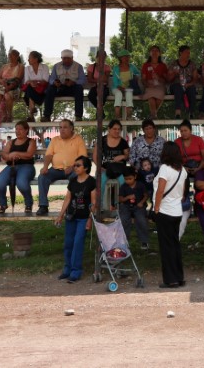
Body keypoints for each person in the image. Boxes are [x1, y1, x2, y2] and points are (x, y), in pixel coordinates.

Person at [55, 155, 96, 284]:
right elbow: (68, 198)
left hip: (83, 218)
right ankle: (67, 269)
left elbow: (94, 203)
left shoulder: (91, 182)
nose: (75, 167)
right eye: (74, 165)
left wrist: (90, 219)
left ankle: (76, 271)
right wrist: (60, 215)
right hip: (71, 216)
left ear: (86, 168)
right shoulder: (72, 181)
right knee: (68, 244)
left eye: (78, 165)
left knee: (78, 243)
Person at [153, 141, 188, 288]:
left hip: (164, 210)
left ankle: (170, 279)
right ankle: (179, 277)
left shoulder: (164, 169)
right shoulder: (182, 170)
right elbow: (183, 192)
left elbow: (160, 190)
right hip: (177, 211)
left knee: (166, 247)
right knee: (174, 245)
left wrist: (156, 208)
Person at [36, 119, 88, 216]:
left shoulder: (78, 139)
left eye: (65, 127)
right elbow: (48, 155)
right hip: (55, 169)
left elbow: (82, 158)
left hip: (73, 169)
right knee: (42, 177)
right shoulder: (55, 140)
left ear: (71, 128)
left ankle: (72, 206)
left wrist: (72, 167)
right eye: (60, 127)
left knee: (76, 178)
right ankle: (43, 206)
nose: (62, 130)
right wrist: (45, 167)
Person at [0, 120, 37, 214]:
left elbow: (29, 154)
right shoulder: (11, 142)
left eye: (20, 129)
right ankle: (3, 204)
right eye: (16, 129)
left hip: (27, 166)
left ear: (26, 130)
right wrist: (10, 156)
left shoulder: (31, 141)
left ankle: (28, 203)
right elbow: (4, 154)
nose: (18, 131)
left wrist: (16, 153)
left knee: (21, 183)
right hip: (11, 166)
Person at [174, 119, 204, 238]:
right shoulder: (177, 142)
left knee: (200, 181)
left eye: (185, 130)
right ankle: (185, 203)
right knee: (183, 178)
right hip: (184, 167)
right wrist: (183, 168)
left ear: (190, 131)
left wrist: (199, 168)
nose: (183, 133)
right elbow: (175, 158)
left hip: (199, 166)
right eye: (181, 131)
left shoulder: (198, 140)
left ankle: (200, 204)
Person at [94, 119, 130, 210]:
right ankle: (100, 207)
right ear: (109, 129)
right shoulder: (102, 140)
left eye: (119, 129)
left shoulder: (123, 142)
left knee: (123, 183)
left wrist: (122, 156)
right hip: (105, 169)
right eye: (114, 129)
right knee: (100, 182)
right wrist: (99, 167)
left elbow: (127, 156)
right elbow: (95, 156)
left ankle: (120, 206)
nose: (117, 131)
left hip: (120, 169)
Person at [42, 50, 86, 122]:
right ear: (61, 58)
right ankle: (46, 116)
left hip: (72, 88)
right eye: (64, 58)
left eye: (68, 58)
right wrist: (55, 82)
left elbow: (83, 80)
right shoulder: (56, 66)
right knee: (50, 89)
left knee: (79, 88)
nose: (66, 60)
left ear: (72, 58)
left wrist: (74, 82)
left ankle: (78, 116)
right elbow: (51, 78)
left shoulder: (78, 66)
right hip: (60, 88)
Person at [118, 166, 150, 250]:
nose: (128, 181)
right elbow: (120, 199)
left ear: (135, 177)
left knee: (141, 220)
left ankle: (144, 241)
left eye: (130, 179)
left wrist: (141, 202)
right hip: (126, 206)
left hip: (138, 206)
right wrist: (127, 197)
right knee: (123, 220)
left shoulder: (140, 185)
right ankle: (124, 242)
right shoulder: (123, 186)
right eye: (126, 179)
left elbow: (146, 195)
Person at [167, 45, 199, 119]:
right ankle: (178, 112)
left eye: (189, 53)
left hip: (188, 85)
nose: (188, 54)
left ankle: (191, 112)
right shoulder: (174, 64)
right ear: (180, 53)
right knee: (178, 89)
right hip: (176, 84)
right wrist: (174, 73)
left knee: (192, 90)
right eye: (186, 52)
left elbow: (195, 78)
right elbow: (168, 79)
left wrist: (189, 84)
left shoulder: (192, 64)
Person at [0, 48, 24, 123]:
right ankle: (4, 115)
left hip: (14, 87)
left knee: (7, 95)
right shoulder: (4, 66)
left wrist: (9, 87)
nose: (10, 57)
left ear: (17, 56)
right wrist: (2, 81)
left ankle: (10, 115)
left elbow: (18, 79)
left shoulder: (20, 66)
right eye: (9, 55)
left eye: (12, 55)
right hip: (3, 86)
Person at [111, 49, 141, 120]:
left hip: (128, 88)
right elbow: (115, 82)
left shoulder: (132, 67)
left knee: (129, 94)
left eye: (128, 57)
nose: (127, 58)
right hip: (117, 88)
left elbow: (139, 73)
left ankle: (129, 116)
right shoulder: (116, 68)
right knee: (119, 94)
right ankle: (117, 116)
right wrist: (121, 88)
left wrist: (136, 76)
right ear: (120, 58)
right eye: (125, 57)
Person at [140, 45, 168, 119]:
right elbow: (143, 79)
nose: (154, 52)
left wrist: (158, 78)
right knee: (151, 96)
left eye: (156, 51)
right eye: (153, 50)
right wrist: (147, 84)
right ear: (150, 53)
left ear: (159, 53)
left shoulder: (163, 66)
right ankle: (154, 115)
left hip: (160, 85)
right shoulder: (145, 65)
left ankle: (153, 114)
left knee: (160, 95)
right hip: (149, 85)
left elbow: (166, 79)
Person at [22, 50, 49, 122]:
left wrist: (36, 83)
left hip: (42, 90)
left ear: (36, 59)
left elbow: (46, 80)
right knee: (29, 88)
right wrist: (31, 82)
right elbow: (26, 81)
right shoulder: (27, 68)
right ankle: (32, 112)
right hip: (31, 89)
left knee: (29, 91)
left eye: (30, 58)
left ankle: (31, 115)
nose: (28, 60)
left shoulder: (44, 67)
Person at [86, 50, 112, 118]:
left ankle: (99, 112)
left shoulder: (107, 67)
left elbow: (106, 79)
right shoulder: (91, 67)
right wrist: (98, 82)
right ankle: (100, 110)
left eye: (103, 57)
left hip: (104, 87)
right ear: (97, 57)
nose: (101, 59)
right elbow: (89, 79)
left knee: (102, 96)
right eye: (100, 57)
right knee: (90, 96)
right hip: (95, 86)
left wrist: (101, 69)